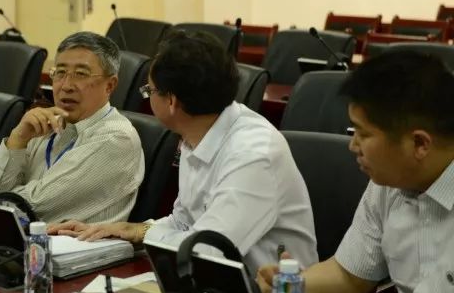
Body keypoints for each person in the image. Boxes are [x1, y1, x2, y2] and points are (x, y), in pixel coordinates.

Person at [51, 31, 318, 274]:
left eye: (149, 91)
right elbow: (183, 222)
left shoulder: (253, 154)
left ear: (171, 101)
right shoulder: (197, 132)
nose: (148, 97)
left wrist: (146, 234)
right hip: (212, 286)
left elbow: (205, 250)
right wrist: (132, 230)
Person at [257, 51, 454, 293]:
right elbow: (349, 275)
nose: (352, 146)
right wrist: (292, 287)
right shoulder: (389, 183)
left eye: (363, 134)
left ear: (420, 144)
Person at [0, 31, 144, 223]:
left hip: (71, 242)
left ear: (110, 85)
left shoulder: (115, 138)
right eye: (60, 73)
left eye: (81, 74)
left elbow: (33, 208)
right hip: (15, 238)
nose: (66, 86)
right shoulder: (43, 125)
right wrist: (18, 139)